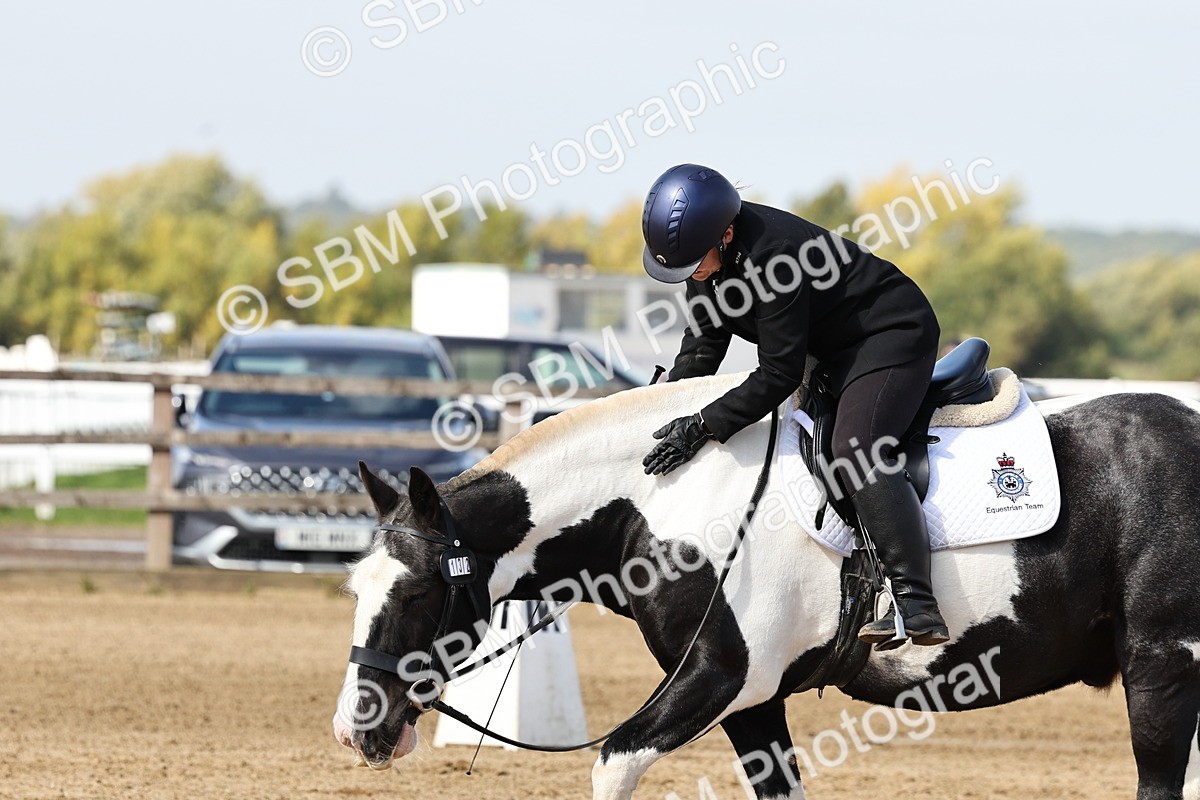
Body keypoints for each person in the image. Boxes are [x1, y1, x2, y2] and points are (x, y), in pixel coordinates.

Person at [639, 163, 948, 649]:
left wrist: (702, 426)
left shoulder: (774, 257)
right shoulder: (703, 258)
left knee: (854, 447)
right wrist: (661, 412)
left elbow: (779, 374)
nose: (690, 275)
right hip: (831, 347)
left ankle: (917, 600)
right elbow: (702, 345)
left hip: (890, 335)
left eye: (695, 262)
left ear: (725, 234)